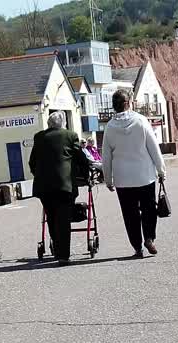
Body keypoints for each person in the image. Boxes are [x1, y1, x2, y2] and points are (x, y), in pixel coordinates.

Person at [101, 88, 165, 258]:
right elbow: (153, 147)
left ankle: (137, 246)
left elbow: (106, 156)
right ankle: (149, 238)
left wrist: (108, 179)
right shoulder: (141, 121)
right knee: (149, 209)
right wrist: (161, 170)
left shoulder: (110, 127)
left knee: (130, 215)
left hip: (123, 180)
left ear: (114, 106)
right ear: (128, 103)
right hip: (145, 176)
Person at [29, 112, 89, 265]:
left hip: (44, 186)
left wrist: (39, 175)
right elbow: (80, 158)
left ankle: (57, 247)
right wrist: (86, 174)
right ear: (63, 123)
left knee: (51, 216)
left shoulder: (39, 137)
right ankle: (62, 254)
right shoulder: (70, 135)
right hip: (64, 184)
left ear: (49, 124)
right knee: (63, 218)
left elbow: (32, 162)